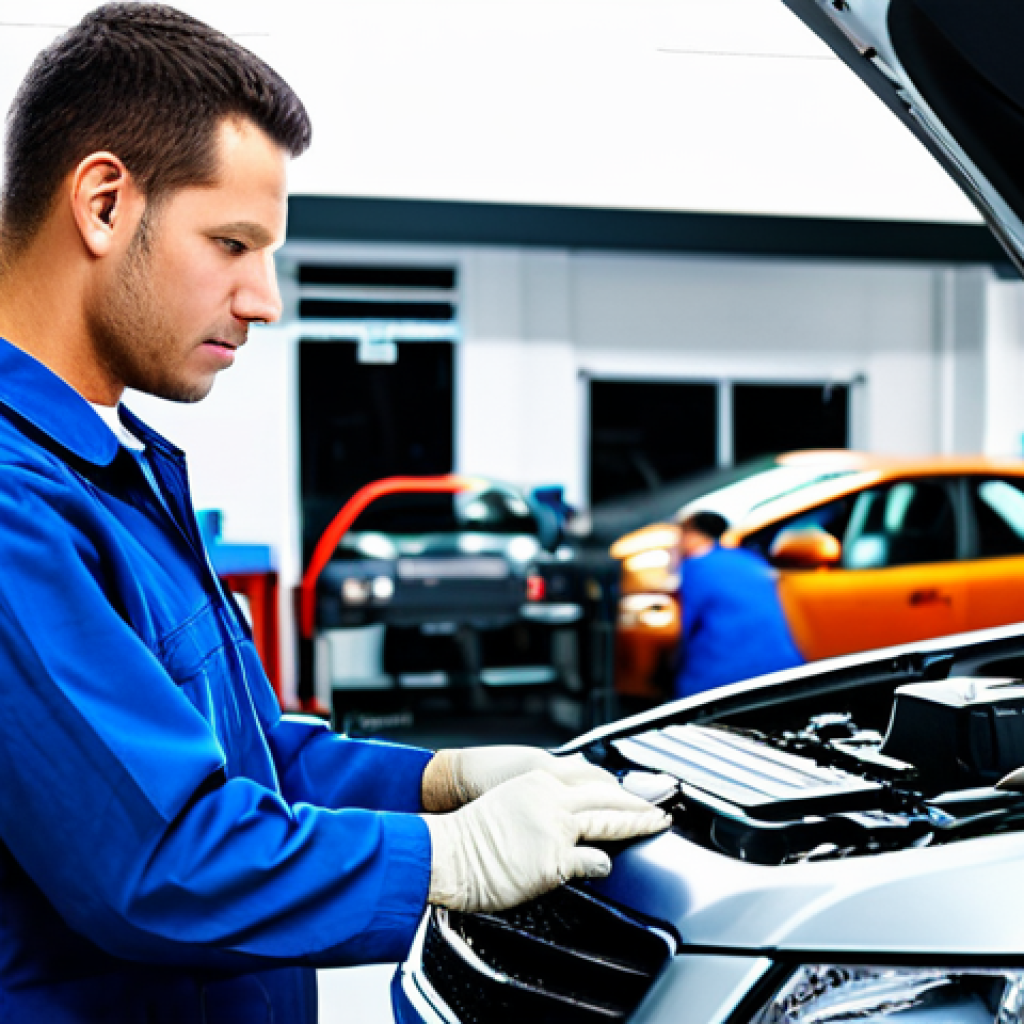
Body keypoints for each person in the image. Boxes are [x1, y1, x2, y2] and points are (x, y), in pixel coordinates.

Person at [0, 6, 670, 1021]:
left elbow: (254, 764)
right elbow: (160, 857)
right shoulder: (17, 503)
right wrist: (447, 857)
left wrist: (439, 780)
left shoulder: (111, 472)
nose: (264, 299)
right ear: (102, 203)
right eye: (232, 242)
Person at [674, 510, 804, 699]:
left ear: (690, 534)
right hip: (786, 669)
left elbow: (681, 629)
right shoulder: (749, 559)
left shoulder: (695, 567)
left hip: (723, 682)